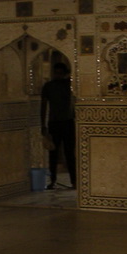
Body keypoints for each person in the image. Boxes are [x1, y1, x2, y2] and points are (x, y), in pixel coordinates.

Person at [39, 62, 77, 190]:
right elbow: (43, 106)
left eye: (60, 73)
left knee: (69, 153)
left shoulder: (69, 85)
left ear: (64, 74)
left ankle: (74, 181)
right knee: (53, 154)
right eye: (56, 73)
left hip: (68, 122)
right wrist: (43, 124)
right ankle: (53, 180)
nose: (58, 76)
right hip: (54, 123)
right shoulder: (49, 86)